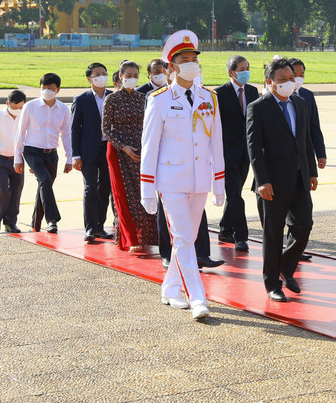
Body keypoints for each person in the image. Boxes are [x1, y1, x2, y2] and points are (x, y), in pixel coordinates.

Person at [139, 30, 225, 321]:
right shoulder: (160, 99)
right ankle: (198, 298)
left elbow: (217, 144)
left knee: (184, 240)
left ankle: (171, 288)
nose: (191, 64)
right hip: (171, 181)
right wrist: (147, 188)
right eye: (184, 60)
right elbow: (149, 146)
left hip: (200, 180)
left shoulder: (209, 98)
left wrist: (219, 183)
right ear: (171, 67)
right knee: (186, 238)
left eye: (194, 59)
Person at [246, 57, 318, 302]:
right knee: (273, 234)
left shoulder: (299, 103)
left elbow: (305, 140)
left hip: (299, 179)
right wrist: (262, 181)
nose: (289, 83)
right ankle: (272, 283)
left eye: (291, 78)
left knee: (304, 225)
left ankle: (286, 268)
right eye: (283, 80)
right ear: (270, 82)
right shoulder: (258, 107)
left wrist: (311, 172)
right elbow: (254, 148)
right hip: (272, 184)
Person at [103, 60, 158, 254]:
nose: (132, 79)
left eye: (136, 75)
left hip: (140, 150)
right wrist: (123, 147)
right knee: (124, 196)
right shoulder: (111, 100)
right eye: (128, 75)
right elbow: (106, 130)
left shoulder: (142, 98)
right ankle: (130, 238)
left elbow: (148, 126)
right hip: (118, 151)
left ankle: (148, 236)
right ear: (120, 76)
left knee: (143, 193)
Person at [14, 72, 73, 234]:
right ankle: (52, 220)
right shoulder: (30, 107)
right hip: (32, 151)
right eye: (43, 88)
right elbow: (21, 132)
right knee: (45, 180)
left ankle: (36, 224)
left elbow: (67, 134)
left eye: (50, 88)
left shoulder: (63, 109)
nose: (46, 91)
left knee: (45, 186)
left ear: (58, 90)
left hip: (52, 153)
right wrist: (17, 157)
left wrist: (70, 158)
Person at [214, 55, 259, 253]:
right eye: (241, 69)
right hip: (226, 152)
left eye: (247, 68)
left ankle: (224, 229)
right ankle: (241, 237)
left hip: (246, 152)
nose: (245, 72)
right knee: (234, 195)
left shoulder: (252, 91)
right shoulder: (219, 94)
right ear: (231, 72)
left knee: (235, 193)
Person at [287, 57, 326, 261]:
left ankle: (294, 249)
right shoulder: (272, 98)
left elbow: (314, 128)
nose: (298, 78)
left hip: (304, 161)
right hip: (283, 164)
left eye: (302, 75)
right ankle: (285, 250)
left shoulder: (308, 97)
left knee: (302, 214)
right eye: (295, 74)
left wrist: (320, 154)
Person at [71, 62, 114, 243]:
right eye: (97, 74)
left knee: (105, 188)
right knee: (91, 189)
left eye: (104, 73)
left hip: (108, 149)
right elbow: (74, 129)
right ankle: (89, 228)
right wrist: (75, 155)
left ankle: (99, 227)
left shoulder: (113, 97)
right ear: (90, 79)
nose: (101, 77)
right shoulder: (81, 99)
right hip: (88, 151)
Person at [0, 90, 27, 233]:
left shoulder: (25, 117)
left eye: (21, 107)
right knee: (2, 190)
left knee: (16, 191)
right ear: (7, 104)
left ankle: (11, 223)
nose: (18, 110)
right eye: (15, 107)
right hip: (0, 160)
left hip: (18, 159)